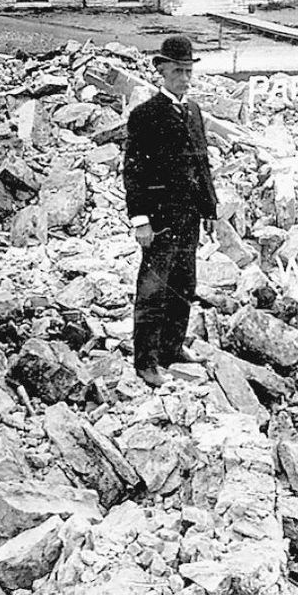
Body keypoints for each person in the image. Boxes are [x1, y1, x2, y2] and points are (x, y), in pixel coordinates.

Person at [122, 35, 218, 388]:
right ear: (161, 70)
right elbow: (134, 170)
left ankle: (172, 348)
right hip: (159, 220)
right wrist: (140, 220)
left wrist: (209, 208)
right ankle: (145, 361)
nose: (185, 78)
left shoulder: (193, 112)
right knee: (153, 289)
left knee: (183, 284)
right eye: (178, 70)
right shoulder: (145, 115)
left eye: (189, 71)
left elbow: (201, 162)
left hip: (188, 217)